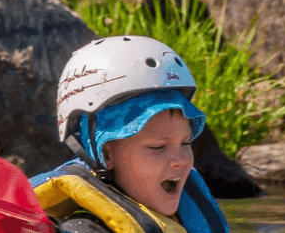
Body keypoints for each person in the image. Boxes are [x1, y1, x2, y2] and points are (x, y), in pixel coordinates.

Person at [30, 36, 230, 233]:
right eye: (158, 147)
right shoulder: (84, 229)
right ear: (107, 154)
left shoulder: (186, 213)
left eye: (185, 143)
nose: (181, 160)